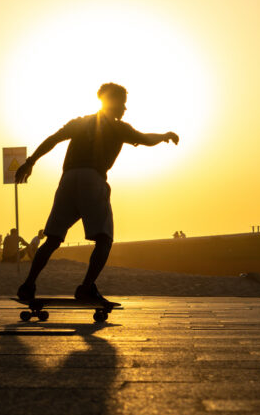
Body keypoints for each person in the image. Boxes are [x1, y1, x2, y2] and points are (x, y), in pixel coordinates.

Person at [14, 82, 180, 306]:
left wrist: (30, 162)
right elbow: (145, 139)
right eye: (123, 104)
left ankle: (28, 285)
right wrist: (164, 135)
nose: (125, 110)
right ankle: (86, 288)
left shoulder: (81, 122)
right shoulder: (118, 127)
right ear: (115, 103)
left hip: (68, 180)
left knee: (52, 239)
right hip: (92, 179)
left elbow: (53, 139)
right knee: (104, 239)